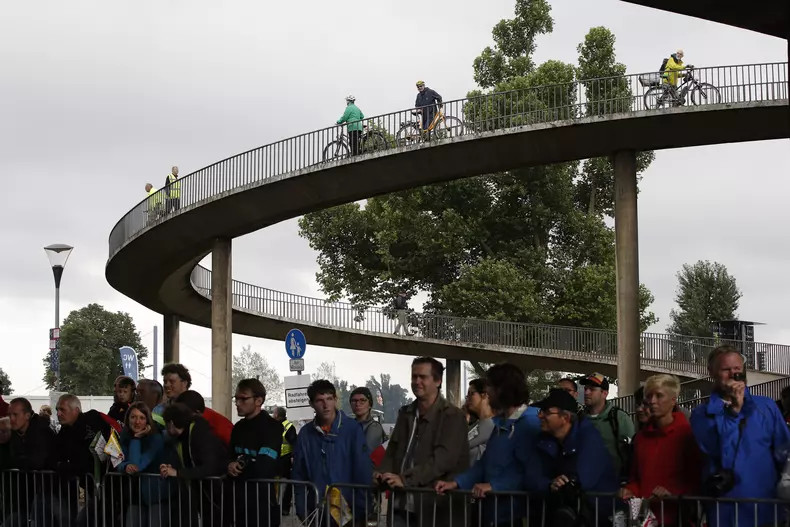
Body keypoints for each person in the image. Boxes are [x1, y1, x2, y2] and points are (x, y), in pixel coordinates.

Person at [691, 345, 790, 527]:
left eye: (737, 369)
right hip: (725, 511)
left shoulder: (766, 407)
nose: (733, 374)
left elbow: (784, 451)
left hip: (765, 507)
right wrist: (734, 412)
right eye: (726, 370)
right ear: (711, 372)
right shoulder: (701, 414)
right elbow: (715, 450)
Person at [435, 363, 542, 526]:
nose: (487, 394)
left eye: (490, 387)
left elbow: (527, 471)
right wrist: (457, 482)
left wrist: (493, 486)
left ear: (503, 389)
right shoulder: (501, 423)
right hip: (493, 513)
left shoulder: (529, 423)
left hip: (515, 515)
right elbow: (484, 464)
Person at [376, 357, 469, 527]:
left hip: (434, 508)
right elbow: (393, 450)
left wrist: (405, 480)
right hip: (400, 505)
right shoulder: (406, 413)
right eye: (414, 376)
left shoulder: (452, 416)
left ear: (438, 381)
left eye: (423, 377)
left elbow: (443, 460)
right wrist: (382, 472)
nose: (416, 381)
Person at [620, 375, 702, 526]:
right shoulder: (640, 438)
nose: (652, 401)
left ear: (673, 400)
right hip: (644, 519)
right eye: (649, 396)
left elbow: (696, 480)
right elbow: (636, 477)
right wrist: (630, 490)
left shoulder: (688, 435)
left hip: (677, 519)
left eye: (659, 396)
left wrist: (673, 494)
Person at [533, 388, 619, 527]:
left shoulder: (589, 438)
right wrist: (550, 485)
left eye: (547, 412)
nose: (540, 416)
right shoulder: (542, 440)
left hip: (595, 518)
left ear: (565, 418)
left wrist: (562, 485)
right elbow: (532, 477)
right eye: (541, 411)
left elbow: (583, 480)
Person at [292, 379, 372, 525]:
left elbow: (362, 470)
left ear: (335, 400)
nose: (325, 404)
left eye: (329, 398)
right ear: (312, 404)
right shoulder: (305, 434)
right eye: (320, 400)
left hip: (348, 511)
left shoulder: (352, 429)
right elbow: (299, 473)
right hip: (317, 510)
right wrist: (301, 509)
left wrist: (363, 509)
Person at [160, 402, 228, 526]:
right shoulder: (183, 438)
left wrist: (178, 472)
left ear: (171, 423)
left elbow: (209, 467)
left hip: (215, 494)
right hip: (202, 493)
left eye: (166, 424)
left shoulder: (199, 433)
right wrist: (173, 469)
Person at [227, 378, 283, 527]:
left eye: (243, 398)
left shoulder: (273, 428)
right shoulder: (238, 427)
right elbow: (228, 456)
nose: (238, 403)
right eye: (236, 398)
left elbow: (265, 466)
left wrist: (242, 468)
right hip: (238, 503)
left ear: (259, 400)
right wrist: (229, 465)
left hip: (262, 504)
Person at [1, 398, 57, 527]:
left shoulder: (42, 431)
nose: (11, 418)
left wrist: (12, 461)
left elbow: (36, 462)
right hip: (24, 498)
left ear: (27, 415)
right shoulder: (15, 432)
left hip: (48, 494)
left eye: (15, 414)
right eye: (9, 415)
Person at [116, 402, 173, 527]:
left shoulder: (156, 439)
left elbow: (137, 465)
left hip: (155, 495)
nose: (137, 422)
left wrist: (136, 439)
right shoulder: (124, 436)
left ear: (148, 420)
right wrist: (125, 466)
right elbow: (118, 461)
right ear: (127, 419)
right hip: (134, 494)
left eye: (142, 418)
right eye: (133, 417)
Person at [580, 372, 635, 481]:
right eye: (585, 389)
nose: (586, 392)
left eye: (592, 389)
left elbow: (632, 454)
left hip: (613, 486)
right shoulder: (579, 419)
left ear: (604, 393)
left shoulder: (619, 418)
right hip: (585, 487)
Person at [272, 406, 297, 515]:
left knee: (280, 484)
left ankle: (280, 507)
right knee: (283, 484)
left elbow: (294, 443)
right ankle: (281, 507)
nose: (272, 415)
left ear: (277, 415)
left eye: (273, 413)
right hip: (279, 459)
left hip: (283, 459)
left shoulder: (287, 427)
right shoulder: (277, 426)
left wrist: (293, 457)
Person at [464, 377, 495, 466]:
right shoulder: (478, 424)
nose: (468, 398)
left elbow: (459, 446)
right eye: (467, 395)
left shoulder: (490, 424)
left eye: (471, 394)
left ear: (485, 395)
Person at [349, 387, 386, 454]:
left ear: (369, 404)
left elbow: (366, 453)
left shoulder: (374, 427)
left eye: (362, 400)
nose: (357, 404)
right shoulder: (350, 425)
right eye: (354, 401)